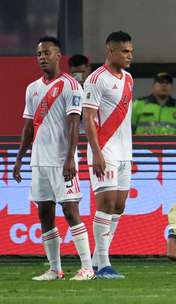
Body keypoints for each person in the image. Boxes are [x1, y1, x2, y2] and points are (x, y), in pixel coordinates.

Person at [13, 36, 94, 280]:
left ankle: (87, 268)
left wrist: (70, 157)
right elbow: (28, 127)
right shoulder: (32, 88)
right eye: (39, 54)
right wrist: (19, 159)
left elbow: (73, 124)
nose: (42, 58)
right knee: (44, 213)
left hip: (62, 161)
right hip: (39, 161)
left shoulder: (71, 86)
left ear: (59, 56)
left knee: (70, 210)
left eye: (47, 53)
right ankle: (54, 268)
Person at [82, 30, 133, 279]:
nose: (129, 56)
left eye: (131, 52)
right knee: (106, 204)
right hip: (104, 150)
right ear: (110, 51)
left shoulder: (129, 78)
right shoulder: (95, 79)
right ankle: (103, 264)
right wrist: (97, 153)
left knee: (120, 206)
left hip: (125, 153)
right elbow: (88, 118)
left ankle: (95, 260)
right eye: (124, 51)